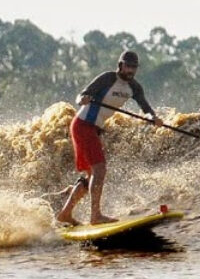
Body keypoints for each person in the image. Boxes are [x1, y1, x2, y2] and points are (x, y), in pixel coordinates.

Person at [56, 50, 162, 225]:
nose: (131, 70)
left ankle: (65, 214)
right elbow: (82, 94)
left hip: (94, 129)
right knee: (100, 170)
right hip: (83, 126)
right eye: (128, 66)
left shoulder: (134, 87)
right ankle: (95, 216)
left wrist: (153, 118)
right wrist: (83, 99)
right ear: (120, 65)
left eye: (134, 67)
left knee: (91, 175)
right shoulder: (107, 78)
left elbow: (146, 108)